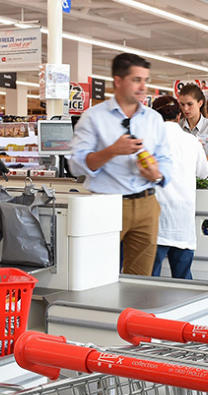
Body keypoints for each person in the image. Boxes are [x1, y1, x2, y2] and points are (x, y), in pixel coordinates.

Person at [69, 53, 174, 276]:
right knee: (99, 273)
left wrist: (157, 173)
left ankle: (133, 312)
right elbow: (76, 165)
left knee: (141, 276)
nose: (143, 86)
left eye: (145, 80)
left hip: (147, 203)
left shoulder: (153, 119)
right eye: (136, 80)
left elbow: (165, 158)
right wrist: (112, 151)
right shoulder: (93, 117)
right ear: (118, 81)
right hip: (106, 204)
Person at [149, 96, 208, 279]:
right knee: (184, 280)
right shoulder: (192, 141)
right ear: (179, 116)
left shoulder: (147, 141)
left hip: (156, 221)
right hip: (182, 220)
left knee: (147, 281)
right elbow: (204, 172)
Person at [177, 84, 208, 168]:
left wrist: (185, 156)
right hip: (184, 178)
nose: (185, 109)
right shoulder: (177, 127)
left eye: (190, 104)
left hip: (207, 179)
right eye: (182, 104)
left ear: (200, 103)